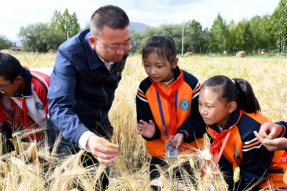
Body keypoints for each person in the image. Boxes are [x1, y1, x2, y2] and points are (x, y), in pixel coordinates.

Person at [47, 5, 130, 190]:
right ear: (93, 42)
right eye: (114, 47)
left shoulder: (119, 46)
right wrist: (86, 138)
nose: (122, 52)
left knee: (100, 182)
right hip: (68, 130)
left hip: (100, 122)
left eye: (127, 43)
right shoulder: (68, 54)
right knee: (70, 184)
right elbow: (59, 107)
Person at [136, 35, 206, 188]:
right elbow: (144, 120)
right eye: (147, 65)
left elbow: (202, 120)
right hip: (159, 156)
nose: (152, 71)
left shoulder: (192, 84)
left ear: (174, 62)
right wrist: (151, 133)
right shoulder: (144, 89)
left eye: (159, 66)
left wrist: (183, 133)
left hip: (189, 156)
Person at [198, 75, 287, 190]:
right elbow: (226, 165)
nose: (202, 111)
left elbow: (253, 178)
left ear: (230, 107)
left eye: (209, 106)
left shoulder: (253, 132)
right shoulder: (212, 124)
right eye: (200, 104)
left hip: (276, 183)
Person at [0, 53, 51, 152]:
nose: (1, 92)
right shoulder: (12, 90)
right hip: (41, 133)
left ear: (18, 80)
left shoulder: (42, 85)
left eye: (1, 86)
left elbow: (59, 122)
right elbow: (25, 120)